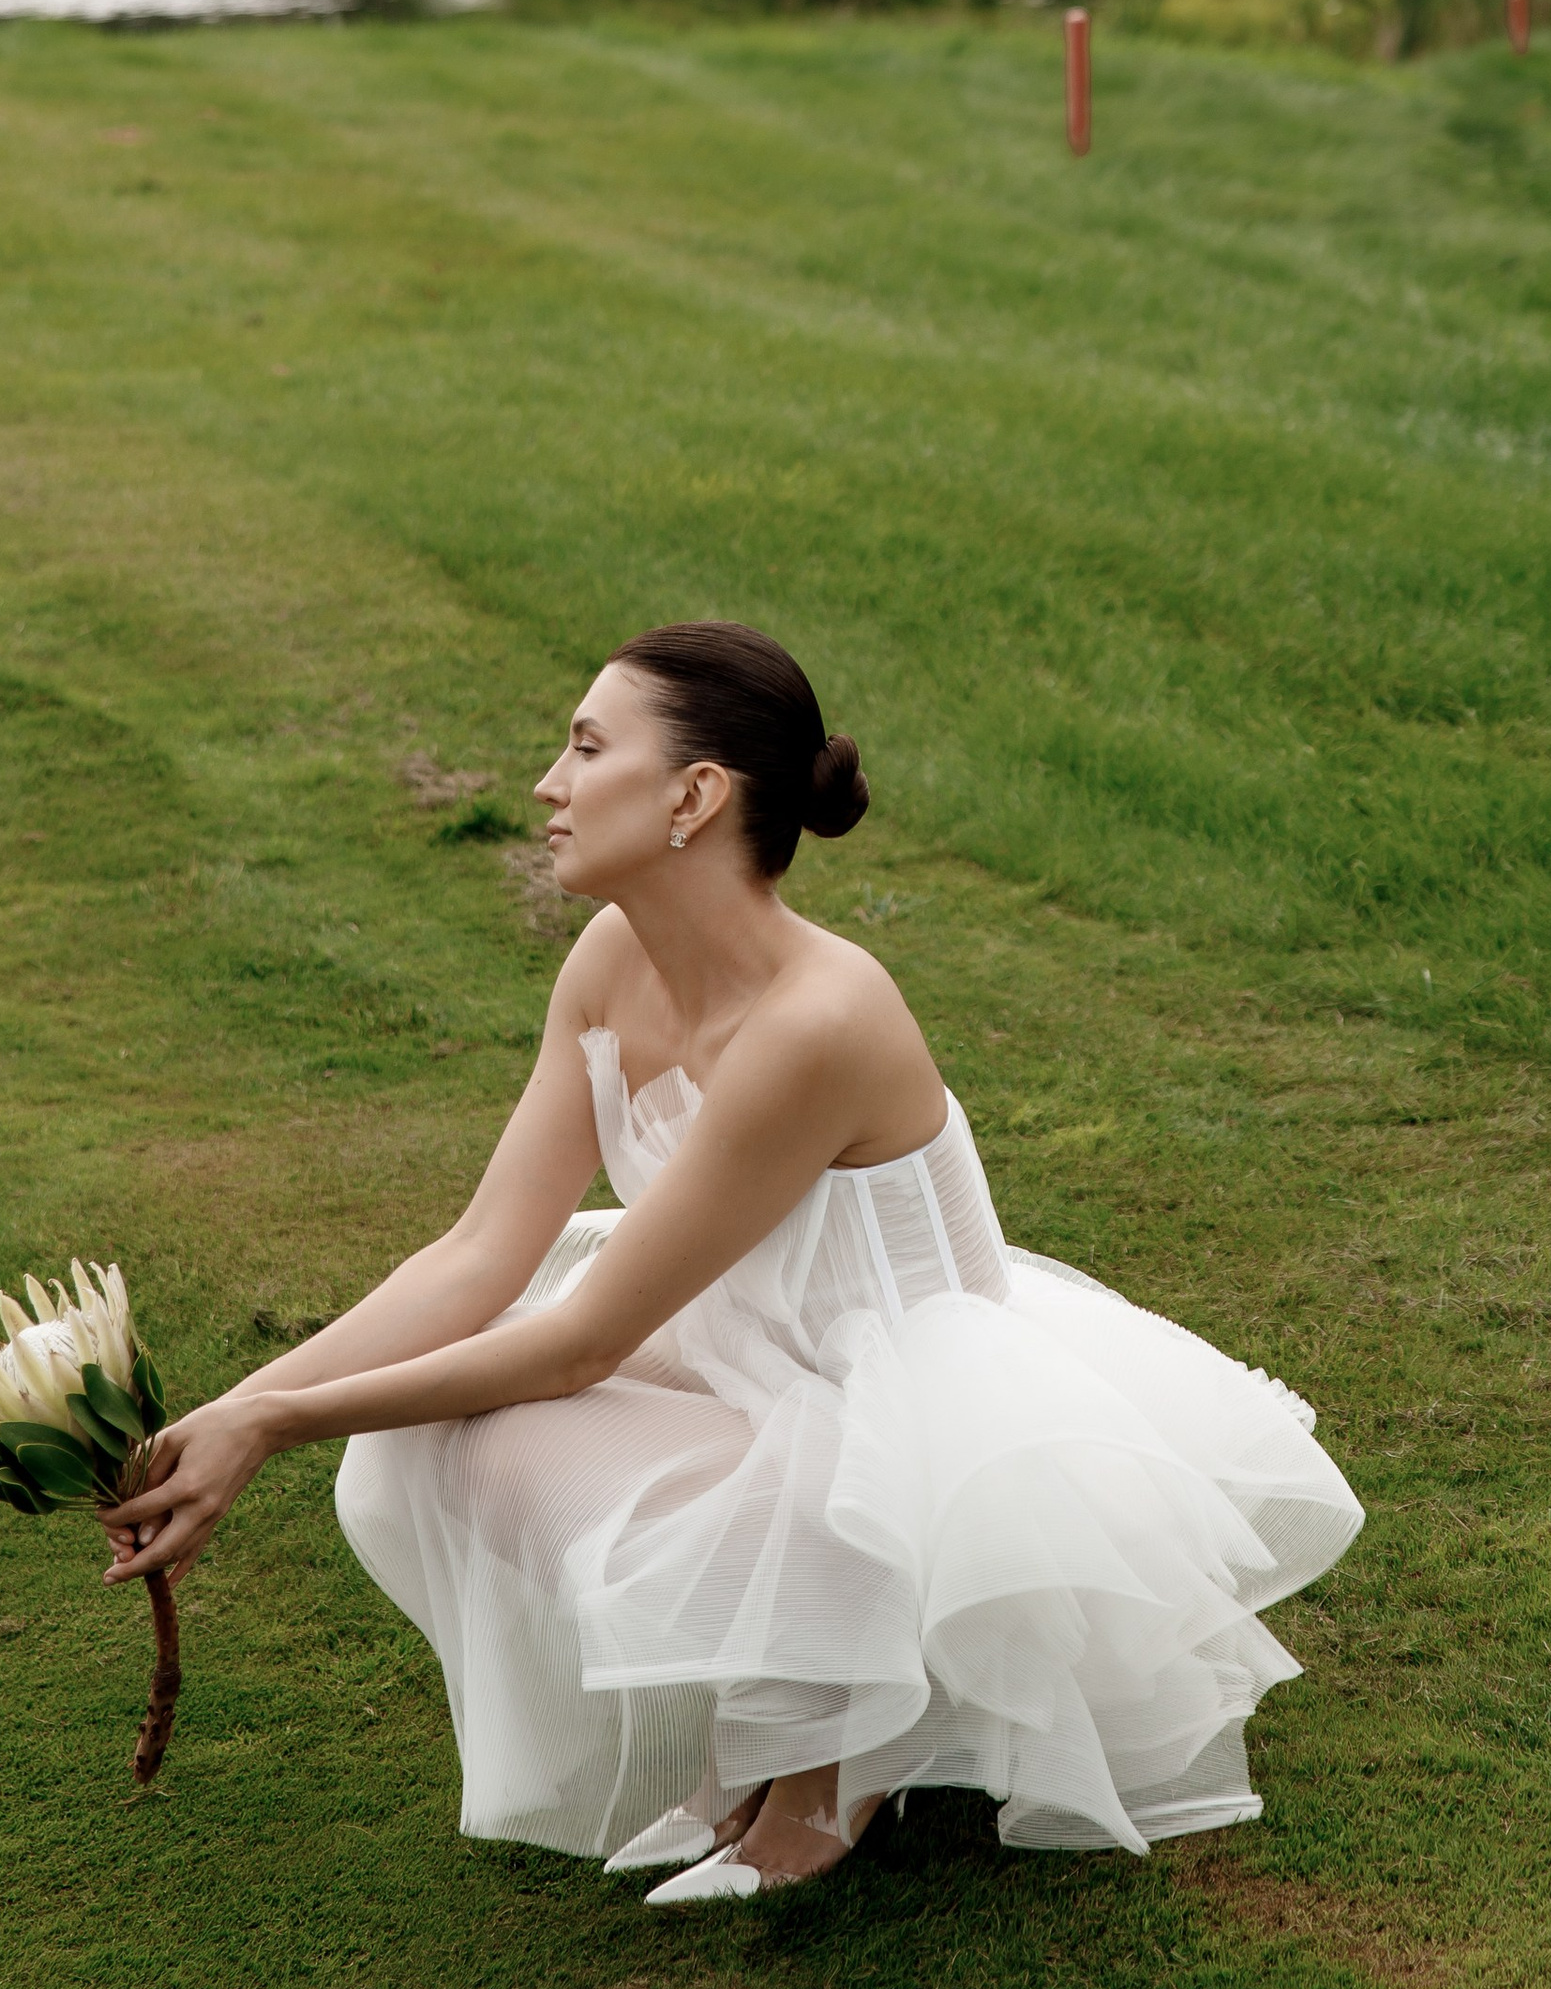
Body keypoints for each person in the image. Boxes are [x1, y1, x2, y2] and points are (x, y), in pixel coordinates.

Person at [105, 622, 1363, 1899]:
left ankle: (840, 1745)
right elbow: (480, 1254)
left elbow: (582, 1345)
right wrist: (230, 1411)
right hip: (745, 1338)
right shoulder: (612, 957)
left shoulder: (818, 1020)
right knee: (457, 1427)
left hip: (901, 1413)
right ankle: (781, 1713)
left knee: (515, 1414)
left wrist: (274, 1427)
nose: (546, 782)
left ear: (694, 796)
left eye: (585, 748)